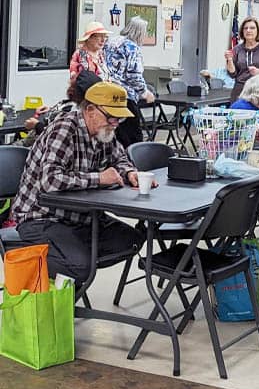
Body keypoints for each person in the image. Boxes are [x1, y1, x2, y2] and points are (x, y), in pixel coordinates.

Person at [11, 82, 149, 286]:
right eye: (111, 117)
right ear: (90, 110)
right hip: (42, 217)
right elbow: (50, 180)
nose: (115, 123)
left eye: (118, 118)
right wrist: (99, 178)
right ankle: (33, 263)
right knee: (79, 267)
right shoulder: (65, 129)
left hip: (81, 218)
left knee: (131, 240)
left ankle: (73, 262)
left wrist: (129, 172)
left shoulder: (104, 131)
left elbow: (120, 158)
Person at [105, 16, 155, 148]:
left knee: (115, 131)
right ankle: (132, 162)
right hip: (125, 96)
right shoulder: (132, 48)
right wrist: (144, 92)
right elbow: (133, 75)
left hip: (107, 93)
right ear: (139, 33)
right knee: (133, 136)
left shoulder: (111, 42)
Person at [224, 16, 259, 103]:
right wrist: (229, 60)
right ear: (242, 31)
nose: (248, 30)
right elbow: (232, 74)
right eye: (245, 28)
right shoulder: (237, 49)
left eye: (252, 28)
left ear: (258, 30)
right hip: (240, 90)